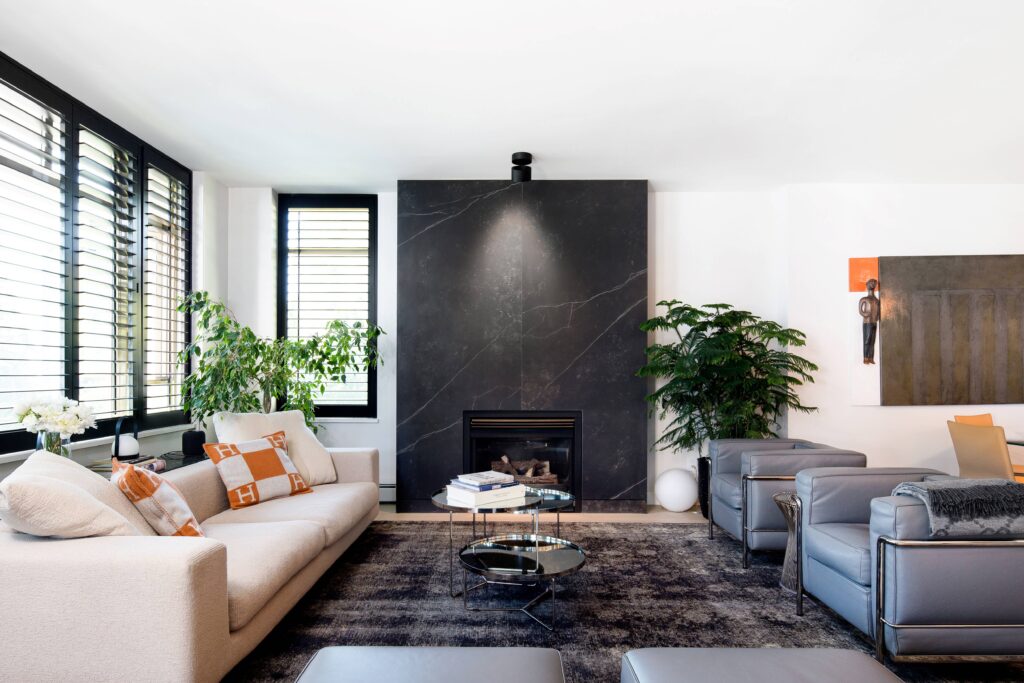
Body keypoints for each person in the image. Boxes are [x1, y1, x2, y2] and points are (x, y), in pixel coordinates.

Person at [858, 278, 880, 364]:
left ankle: (871, 357)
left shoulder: (877, 300)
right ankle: (865, 358)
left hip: (874, 322)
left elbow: (878, 311)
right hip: (867, 322)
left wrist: (877, 317)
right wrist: (866, 314)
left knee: (872, 341)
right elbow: (860, 311)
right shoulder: (864, 299)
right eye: (871, 283)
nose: (873, 284)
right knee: (867, 340)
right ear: (867, 285)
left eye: (874, 283)